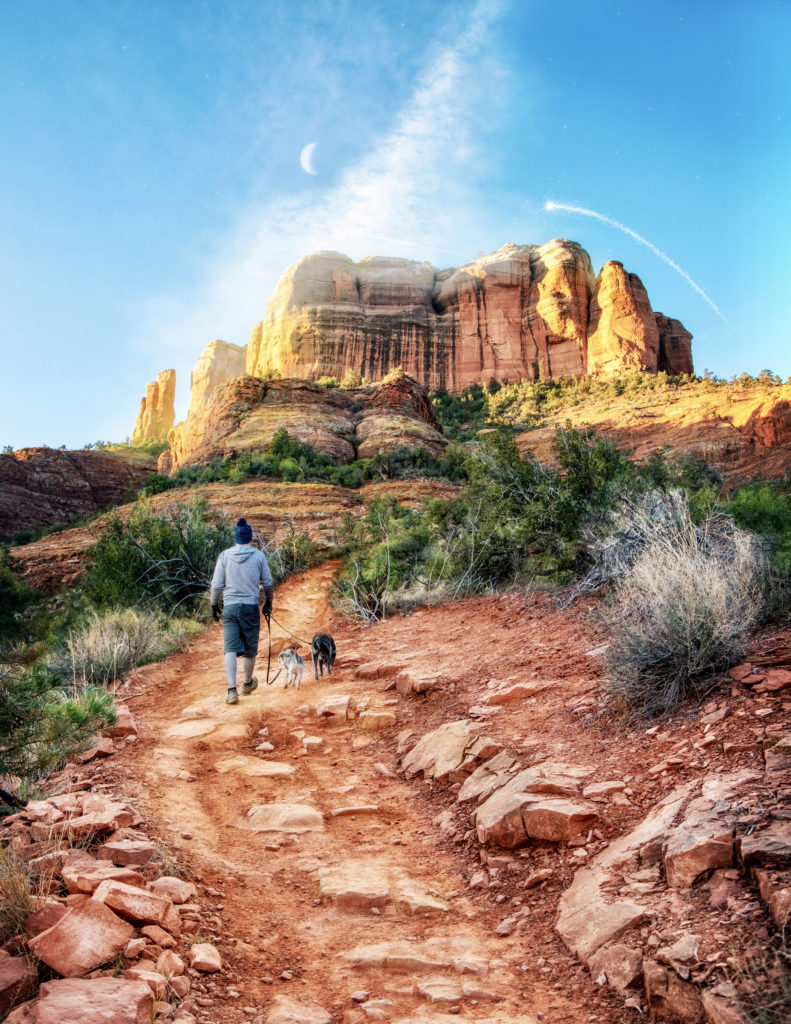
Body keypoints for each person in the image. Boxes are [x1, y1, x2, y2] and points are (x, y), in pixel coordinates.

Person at [210, 517, 274, 705]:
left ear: (236, 538)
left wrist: (214, 605)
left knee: (230, 648)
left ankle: (231, 691)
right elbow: (268, 582)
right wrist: (269, 601)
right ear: (250, 538)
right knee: (249, 648)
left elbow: (216, 584)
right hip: (250, 606)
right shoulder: (259, 556)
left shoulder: (224, 556)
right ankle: (247, 683)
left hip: (229, 607)